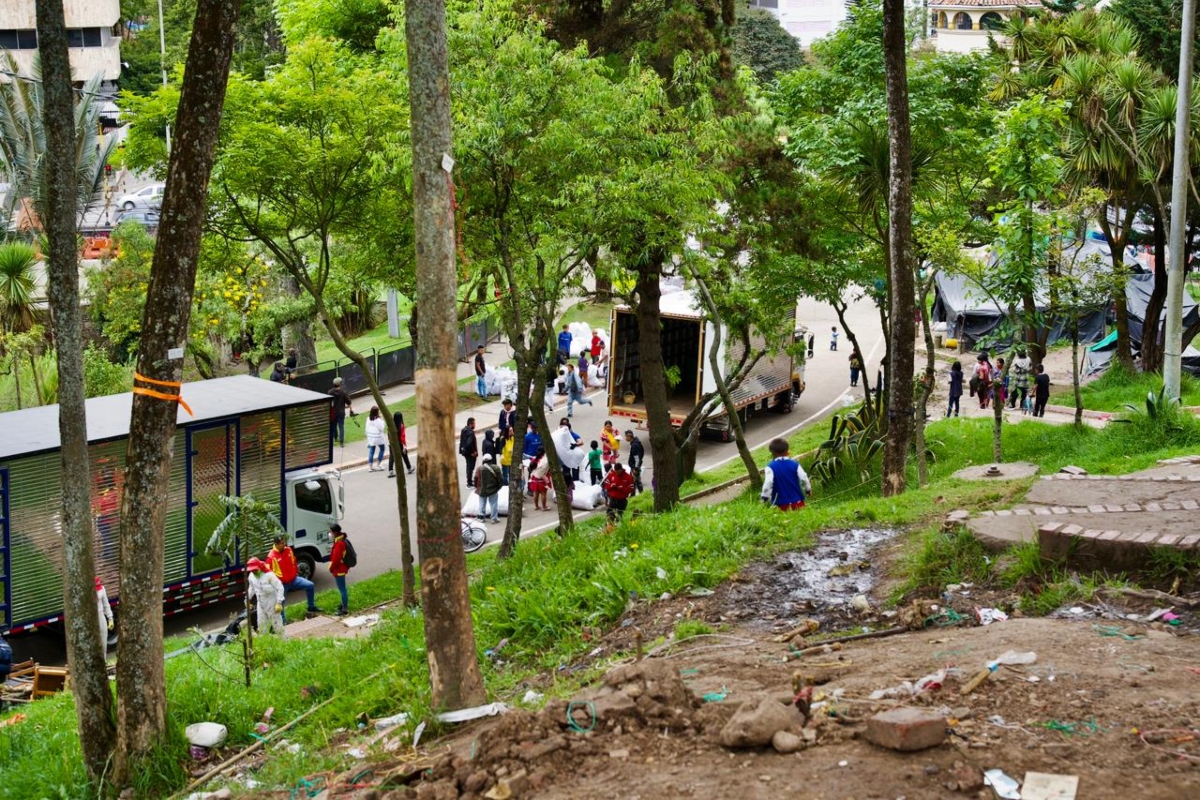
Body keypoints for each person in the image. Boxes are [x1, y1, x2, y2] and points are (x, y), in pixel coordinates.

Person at [267, 534, 319, 618]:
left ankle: (311, 607)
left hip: (294, 579)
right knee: (281, 602)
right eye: (281, 543)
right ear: (276, 544)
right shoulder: (271, 557)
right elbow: (269, 573)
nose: (284, 544)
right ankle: (283, 620)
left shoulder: (288, 550)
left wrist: (295, 572)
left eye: (284, 542)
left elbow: (294, 561)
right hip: (282, 584)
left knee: (310, 585)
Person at [760, 438, 811, 511]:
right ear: (788, 451)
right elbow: (804, 478)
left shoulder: (770, 467)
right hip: (798, 503)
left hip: (779, 505)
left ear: (772, 453)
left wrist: (764, 497)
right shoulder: (795, 464)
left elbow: (768, 482)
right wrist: (808, 489)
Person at [245, 558, 285, 635]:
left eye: (255, 570)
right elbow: (252, 588)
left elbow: (280, 587)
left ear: (260, 567)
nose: (254, 572)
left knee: (276, 623)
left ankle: (282, 639)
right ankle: (264, 640)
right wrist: (247, 599)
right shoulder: (251, 576)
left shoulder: (269, 575)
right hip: (260, 603)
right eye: (252, 570)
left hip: (272, 602)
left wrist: (279, 602)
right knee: (261, 625)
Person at [329, 523, 351, 616]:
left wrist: (331, 568)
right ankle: (343, 604)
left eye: (331, 532)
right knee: (342, 589)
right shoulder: (341, 540)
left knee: (342, 589)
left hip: (339, 570)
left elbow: (336, 559)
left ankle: (344, 609)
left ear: (335, 533)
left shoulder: (339, 543)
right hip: (341, 568)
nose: (330, 534)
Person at [476, 454, 503, 523]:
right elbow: (500, 479)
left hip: (482, 489)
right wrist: (498, 487)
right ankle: (494, 518)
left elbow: (476, 478)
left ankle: (481, 517)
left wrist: (477, 487)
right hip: (493, 489)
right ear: (491, 460)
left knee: (482, 504)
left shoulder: (479, 468)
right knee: (493, 504)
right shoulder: (496, 468)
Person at [387, 410, 414, 477]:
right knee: (405, 456)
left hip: (392, 443)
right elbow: (402, 436)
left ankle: (390, 471)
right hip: (400, 443)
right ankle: (409, 468)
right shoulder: (401, 426)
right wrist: (404, 445)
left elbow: (388, 434)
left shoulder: (391, 425)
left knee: (392, 457)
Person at [328, 377, 354, 447]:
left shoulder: (330, 392)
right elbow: (349, 402)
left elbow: (328, 403)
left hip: (333, 413)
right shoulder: (343, 392)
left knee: (334, 426)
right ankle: (341, 442)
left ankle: (335, 438)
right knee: (341, 427)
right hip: (341, 413)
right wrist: (351, 410)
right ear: (339, 384)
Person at [96, 577, 114, 660]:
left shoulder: (102, 589)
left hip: (101, 616)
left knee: (103, 641)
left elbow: (106, 605)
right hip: (92, 618)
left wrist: (110, 618)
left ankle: (103, 660)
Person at [365, 406, 387, 471]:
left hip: (371, 437)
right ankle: (378, 464)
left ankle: (370, 467)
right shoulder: (378, 420)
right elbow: (382, 428)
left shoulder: (368, 418)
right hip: (378, 437)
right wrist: (382, 419)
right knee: (382, 449)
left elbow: (366, 428)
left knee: (372, 450)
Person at [624, 429, 645, 494]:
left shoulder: (635, 445)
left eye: (626, 436)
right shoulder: (634, 443)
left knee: (637, 482)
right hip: (634, 466)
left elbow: (637, 458)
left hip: (635, 467)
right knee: (632, 482)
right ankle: (633, 494)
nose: (625, 438)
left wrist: (635, 468)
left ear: (629, 436)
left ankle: (642, 495)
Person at [460, 418, 479, 488]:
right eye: (474, 423)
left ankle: (469, 480)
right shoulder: (470, 433)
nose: (475, 425)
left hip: (465, 452)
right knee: (470, 468)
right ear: (471, 424)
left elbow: (462, 441)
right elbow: (469, 443)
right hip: (470, 453)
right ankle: (469, 483)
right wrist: (473, 452)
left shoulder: (464, 430)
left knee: (468, 466)